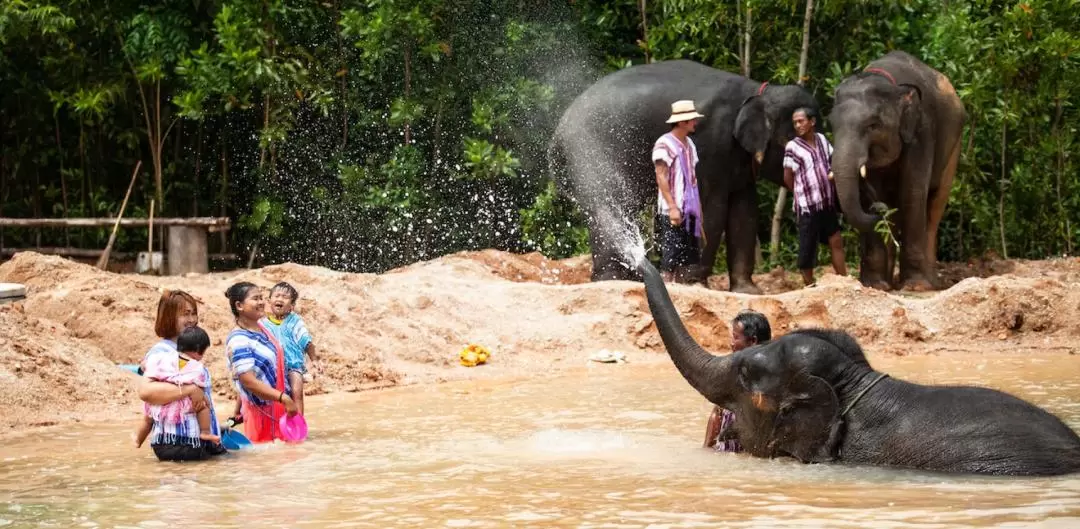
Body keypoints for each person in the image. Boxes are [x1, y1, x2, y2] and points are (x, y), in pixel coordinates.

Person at [136, 290, 226, 461]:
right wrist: (190, 390)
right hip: (180, 443)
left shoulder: (188, 350)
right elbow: (146, 392)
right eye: (185, 314)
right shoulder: (161, 352)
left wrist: (214, 427)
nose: (192, 319)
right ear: (169, 317)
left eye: (194, 313)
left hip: (197, 439)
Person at [224, 282, 299, 443]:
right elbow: (248, 381)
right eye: (255, 299)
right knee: (267, 463)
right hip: (262, 415)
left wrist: (237, 411)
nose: (261, 302)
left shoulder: (263, 330)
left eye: (261, 298)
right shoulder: (239, 340)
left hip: (280, 410)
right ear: (239, 305)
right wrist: (284, 398)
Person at [783, 107, 848, 287]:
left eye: (801, 121)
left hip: (826, 202)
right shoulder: (792, 147)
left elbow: (832, 159)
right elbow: (787, 177)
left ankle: (843, 281)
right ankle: (809, 285)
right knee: (808, 248)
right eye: (795, 122)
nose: (797, 125)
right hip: (807, 206)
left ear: (812, 122)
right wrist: (800, 193)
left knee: (835, 240)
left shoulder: (821, 139)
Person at [135, 326, 219, 448]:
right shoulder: (195, 367)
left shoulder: (162, 359)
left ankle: (138, 440)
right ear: (197, 350)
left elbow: (147, 367)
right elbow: (199, 386)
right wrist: (205, 400)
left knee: (148, 417)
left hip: (159, 414)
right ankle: (205, 432)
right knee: (203, 406)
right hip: (185, 428)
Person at [703, 310, 772, 452]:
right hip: (726, 454)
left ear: (753, 341)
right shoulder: (731, 369)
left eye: (736, 337)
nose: (731, 343)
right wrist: (707, 447)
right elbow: (717, 411)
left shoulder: (771, 376)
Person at [653, 99, 705, 283]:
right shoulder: (664, 144)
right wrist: (673, 207)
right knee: (672, 252)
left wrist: (698, 209)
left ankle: (681, 290)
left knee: (688, 254)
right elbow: (661, 176)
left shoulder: (689, 144)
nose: (695, 123)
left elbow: (692, 178)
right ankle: (666, 288)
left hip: (689, 207)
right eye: (692, 120)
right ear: (682, 122)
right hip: (672, 208)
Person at [261, 282, 319, 416]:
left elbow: (306, 341)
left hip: (293, 365)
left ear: (292, 306)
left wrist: (314, 360)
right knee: (272, 395)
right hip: (272, 367)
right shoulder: (262, 324)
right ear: (269, 301)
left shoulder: (295, 321)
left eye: (285, 297)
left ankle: (298, 423)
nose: (280, 299)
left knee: (296, 391)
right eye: (277, 296)